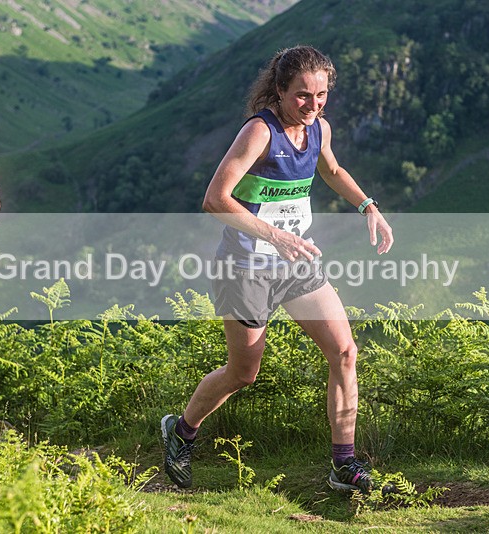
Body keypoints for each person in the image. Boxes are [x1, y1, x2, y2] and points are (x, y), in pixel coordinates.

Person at [161, 46, 394, 491]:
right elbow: (215, 199)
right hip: (245, 267)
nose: (312, 105)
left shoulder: (319, 129)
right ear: (280, 90)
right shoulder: (260, 133)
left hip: (296, 264)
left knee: (345, 352)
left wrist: (368, 206)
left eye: (321, 95)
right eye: (302, 96)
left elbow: (333, 169)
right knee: (242, 373)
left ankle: (342, 465)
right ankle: (182, 430)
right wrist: (275, 236)